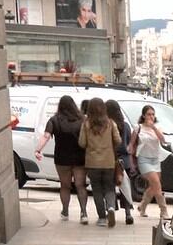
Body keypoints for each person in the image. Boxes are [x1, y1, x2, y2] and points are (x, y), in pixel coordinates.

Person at [35, 95, 89, 222]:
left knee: (65, 186)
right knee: (80, 185)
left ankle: (65, 211)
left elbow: (46, 136)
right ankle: (84, 213)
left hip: (62, 158)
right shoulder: (83, 120)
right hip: (80, 158)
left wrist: (38, 150)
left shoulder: (54, 120)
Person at [78, 97, 121, 228]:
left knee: (96, 189)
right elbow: (118, 140)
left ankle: (102, 218)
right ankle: (111, 207)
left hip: (92, 163)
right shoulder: (111, 123)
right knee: (109, 187)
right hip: (108, 162)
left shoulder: (86, 124)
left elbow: (82, 143)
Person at [128, 104, 168, 219]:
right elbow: (131, 144)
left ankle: (143, 206)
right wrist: (131, 158)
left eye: (153, 114)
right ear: (144, 115)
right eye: (149, 114)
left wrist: (154, 128)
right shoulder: (138, 127)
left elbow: (163, 140)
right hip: (144, 159)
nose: (151, 116)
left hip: (156, 159)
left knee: (153, 186)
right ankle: (163, 210)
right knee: (157, 183)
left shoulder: (158, 127)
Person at [105, 100, 135, 224]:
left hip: (110, 160)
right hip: (125, 161)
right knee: (125, 187)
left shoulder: (106, 125)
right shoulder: (125, 125)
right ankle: (128, 214)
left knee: (109, 187)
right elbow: (129, 146)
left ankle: (110, 208)